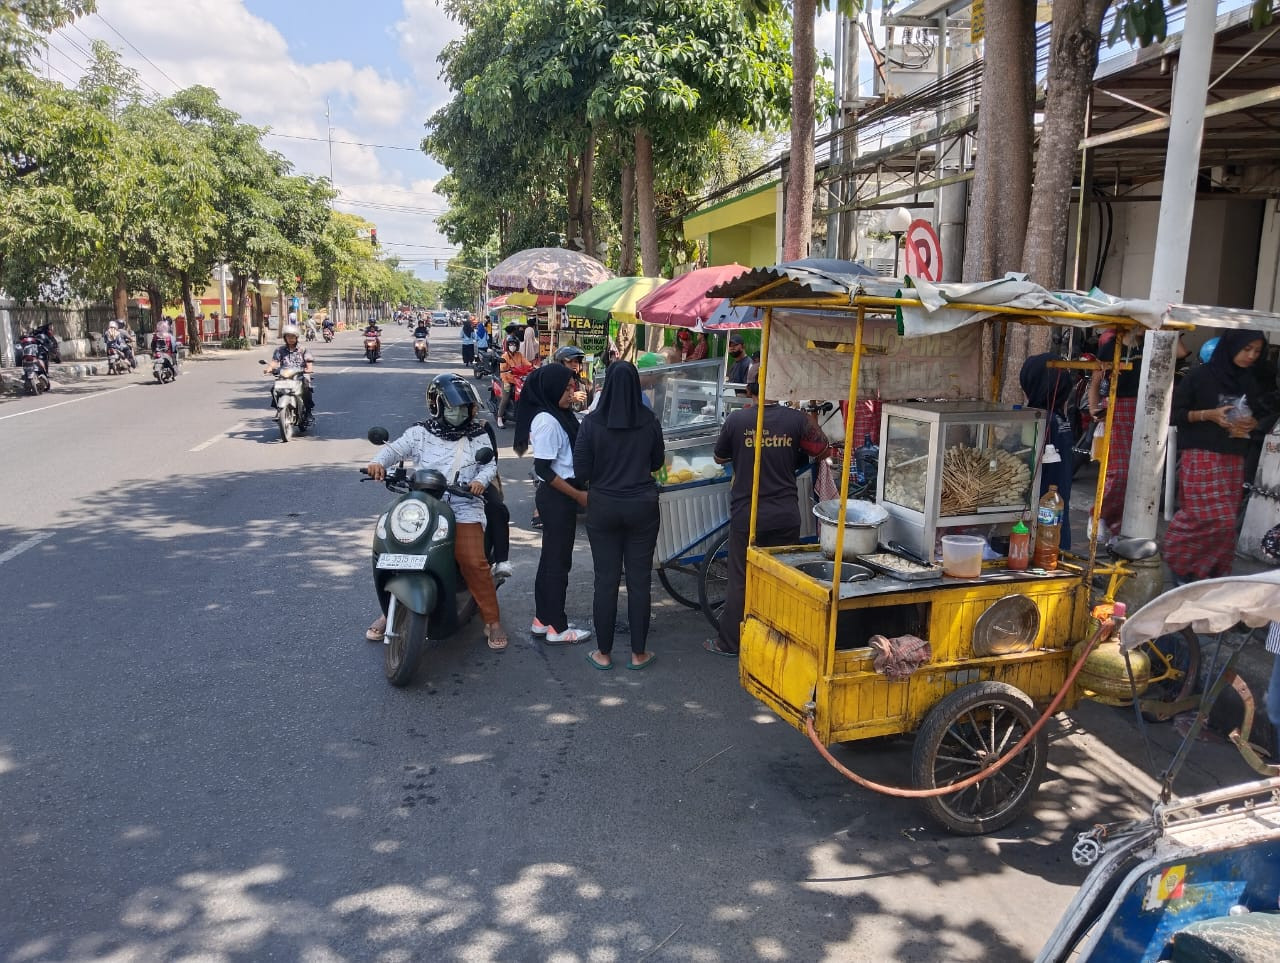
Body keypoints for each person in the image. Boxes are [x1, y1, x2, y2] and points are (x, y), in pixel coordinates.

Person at [364, 374, 509, 650]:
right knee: (396, 552)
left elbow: (490, 465)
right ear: (437, 405)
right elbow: (394, 450)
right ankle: (390, 611)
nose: (460, 412)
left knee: (473, 561)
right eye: (453, 406)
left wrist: (480, 481)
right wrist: (377, 462)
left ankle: (492, 620)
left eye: (465, 407)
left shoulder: (478, 434)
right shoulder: (420, 432)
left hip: (464, 503)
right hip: (423, 505)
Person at [707, 379, 828, 656]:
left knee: (740, 578)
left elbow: (718, 457)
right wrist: (811, 417)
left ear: (750, 391)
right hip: (784, 514)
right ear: (779, 388)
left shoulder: (737, 420)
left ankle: (730, 644)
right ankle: (783, 643)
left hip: (747, 514)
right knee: (784, 580)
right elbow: (822, 450)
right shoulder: (796, 420)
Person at [574, 362, 664, 670]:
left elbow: (581, 471)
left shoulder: (591, 423)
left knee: (606, 580)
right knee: (640, 581)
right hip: (642, 506)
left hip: (603, 507)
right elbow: (657, 462)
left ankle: (604, 652)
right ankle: (639, 653)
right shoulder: (649, 421)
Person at [1164, 330, 1266, 583]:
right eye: (1247, 349)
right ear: (1232, 347)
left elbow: (1265, 411)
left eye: (1257, 351)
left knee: (1226, 525)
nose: (1251, 355)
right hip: (1201, 453)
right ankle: (1179, 560)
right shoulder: (1200, 376)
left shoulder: (1252, 379)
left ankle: (1207, 576)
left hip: (1234, 455)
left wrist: (1253, 423)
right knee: (1208, 517)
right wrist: (1208, 415)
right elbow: (1174, 414)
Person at [514, 364, 591, 644]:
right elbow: (545, 471)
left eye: (572, 386)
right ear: (551, 389)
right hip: (558, 497)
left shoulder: (559, 414)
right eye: (567, 388)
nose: (571, 392)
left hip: (562, 496)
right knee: (558, 563)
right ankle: (557, 627)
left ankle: (542, 619)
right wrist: (578, 496)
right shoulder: (547, 421)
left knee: (551, 560)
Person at [1020, 352, 1077, 551]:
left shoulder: (1041, 420)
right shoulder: (1060, 418)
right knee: (1056, 538)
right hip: (1058, 498)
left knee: (1045, 543)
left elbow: (1021, 455)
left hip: (1039, 500)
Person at [1088, 329, 1141, 538]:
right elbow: (1095, 380)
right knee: (1119, 472)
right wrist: (1093, 408)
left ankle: (1117, 525)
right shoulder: (1111, 347)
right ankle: (1098, 514)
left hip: (1146, 409)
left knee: (1139, 475)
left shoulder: (1149, 345)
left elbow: (1182, 352)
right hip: (1117, 407)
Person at [265, 324, 316, 424]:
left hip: (300, 375)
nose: (290, 339)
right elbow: (275, 361)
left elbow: (309, 362)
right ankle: (280, 409)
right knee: (274, 389)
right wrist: (269, 368)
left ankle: (308, 412)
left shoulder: (303, 349)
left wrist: (308, 369)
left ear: (297, 337)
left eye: (293, 336)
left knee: (306, 388)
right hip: (284, 376)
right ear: (285, 338)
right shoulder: (279, 350)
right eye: (288, 336)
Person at [497, 335, 529, 429]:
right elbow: (502, 370)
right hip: (507, 380)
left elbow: (526, 363)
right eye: (511, 344)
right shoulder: (504, 356)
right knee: (505, 398)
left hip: (518, 380)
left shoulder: (519, 355)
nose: (513, 346)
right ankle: (499, 418)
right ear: (508, 345)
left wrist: (534, 367)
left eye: (514, 344)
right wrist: (506, 381)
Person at [552, 345, 591, 409]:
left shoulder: (586, 384)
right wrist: (569, 398)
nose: (574, 364)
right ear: (560, 363)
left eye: (576, 361)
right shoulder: (554, 384)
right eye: (569, 361)